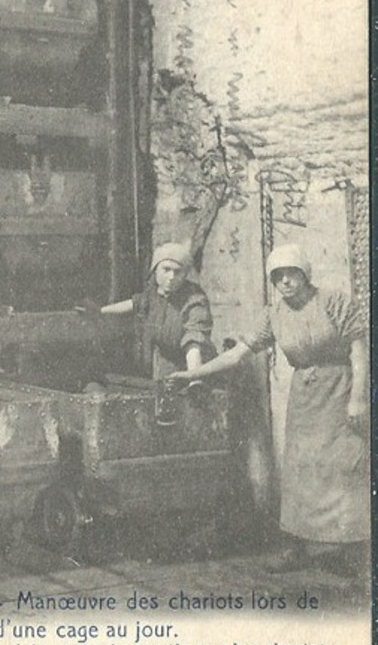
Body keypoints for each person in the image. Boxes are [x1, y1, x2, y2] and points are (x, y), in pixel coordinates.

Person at [167, 244, 369, 574]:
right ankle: (298, 545)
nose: (286, 282)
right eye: (278, 276)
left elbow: (359, 351)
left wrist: (358, 397)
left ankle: (353, 551)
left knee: (344, 469)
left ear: (305, 274)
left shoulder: (333, 301)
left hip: (342, 389)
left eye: (292, 274)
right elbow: (237, 354)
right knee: (299, 470)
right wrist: (192, 373)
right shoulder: (274, 314)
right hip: (305, 398)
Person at [85, 242, 215, 420]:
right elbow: (135, 303)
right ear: (155, 269)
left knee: (187, 414)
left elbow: (194, 342)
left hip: (193, 365)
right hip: (163, 364)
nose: (171, 277)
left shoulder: (194, 300)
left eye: (178, 272)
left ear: (185, 274)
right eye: (166, 269)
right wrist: (101, 311)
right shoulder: (153, 294)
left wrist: (194, 379)